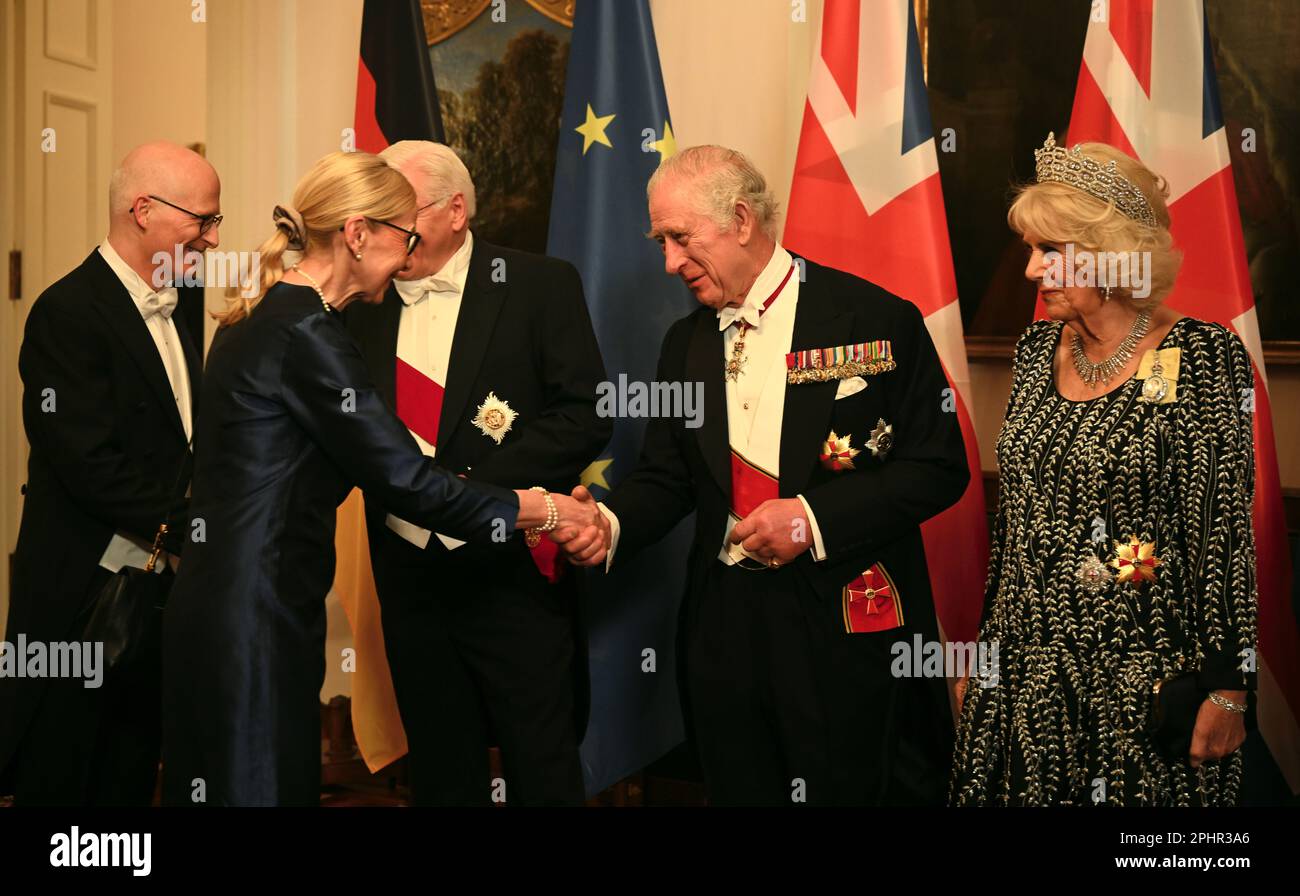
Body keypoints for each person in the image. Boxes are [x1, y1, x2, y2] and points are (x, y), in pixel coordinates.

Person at [160, 151, 600, 807]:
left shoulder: (270, 313)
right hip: (257, 610)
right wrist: (543, 510)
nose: (409, 255)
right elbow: (406, 480)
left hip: (242, 601)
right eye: (405, 237)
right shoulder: (309, 331)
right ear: (359, 234)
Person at [554, 145, 969, 806]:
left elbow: (939, 468)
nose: (668, 262)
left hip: (842, 620)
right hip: (725, 629)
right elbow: (668, 478)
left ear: (742, 220)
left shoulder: (874, 319)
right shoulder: (684, 343)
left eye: (681, 239)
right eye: (661, 241)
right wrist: (607, 523)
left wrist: (812, 520)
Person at [950, 134, 1257, 806]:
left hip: (1140, 680)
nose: (1031, 270)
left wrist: (1231, 689)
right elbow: (1019, 524)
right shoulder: (1036, 351)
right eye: (1031, 250)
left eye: (1050, 251)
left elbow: (1223, 537)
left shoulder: (1201, 357)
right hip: (1024, 677)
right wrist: (985, 650)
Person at [344, 140, 609, 806]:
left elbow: (585, 414)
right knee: (439, 769)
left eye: (395, 209)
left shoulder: (540, 285)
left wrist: (468, 495)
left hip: (511, 570)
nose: (380, 228)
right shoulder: (359, 300)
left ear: (455, 209)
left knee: (541, 764)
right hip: (408, 577)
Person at [1, 142, 219, 805]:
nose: (214, 238)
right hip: (81, 600)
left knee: (130, 777)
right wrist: (204, 532)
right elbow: (90, 467)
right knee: (64, 780)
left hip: (156, 598)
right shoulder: (65, 313)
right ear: (142, 210)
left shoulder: (181, 300)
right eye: (202, 220)